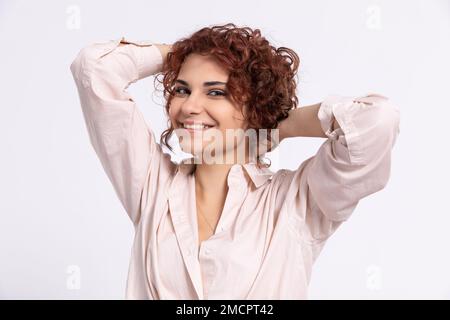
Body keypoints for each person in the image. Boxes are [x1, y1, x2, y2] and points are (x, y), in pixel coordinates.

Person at [70, 23, 400, 299]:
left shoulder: (296, 203)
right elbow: (94, 69)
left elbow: (376, 121)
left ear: (255, 106)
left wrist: (283, 126)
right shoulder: (152, 185)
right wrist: (185, 52)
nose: (188, 107)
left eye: (215, 92)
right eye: (182, 90)